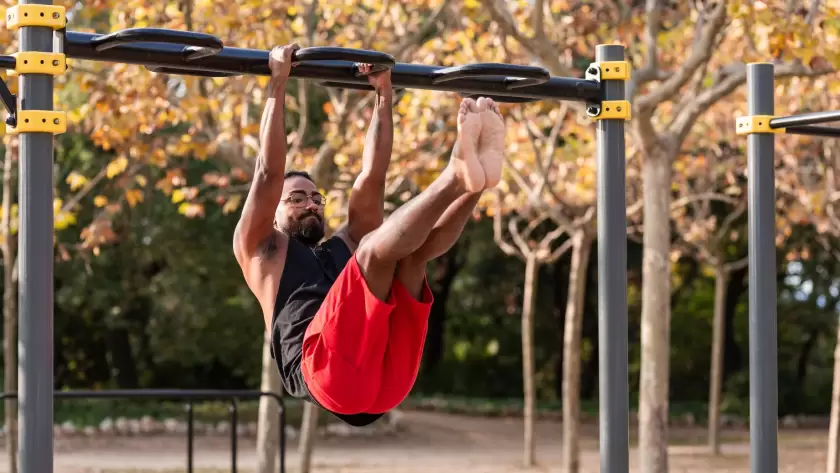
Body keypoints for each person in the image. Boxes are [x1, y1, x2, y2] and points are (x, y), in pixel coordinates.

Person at [233, 43, 506, 427]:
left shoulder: (343, 245)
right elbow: (268, 174)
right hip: (326, 374)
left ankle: (476, 183)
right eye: (296, 198)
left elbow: (373, 175)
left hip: (389, 378)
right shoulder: (263, 249)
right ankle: (457, 176)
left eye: (316, 198)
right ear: (274, 211)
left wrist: (383, 94)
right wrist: (278, 84)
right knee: (375, 253)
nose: (310, 204)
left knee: (410, 255)